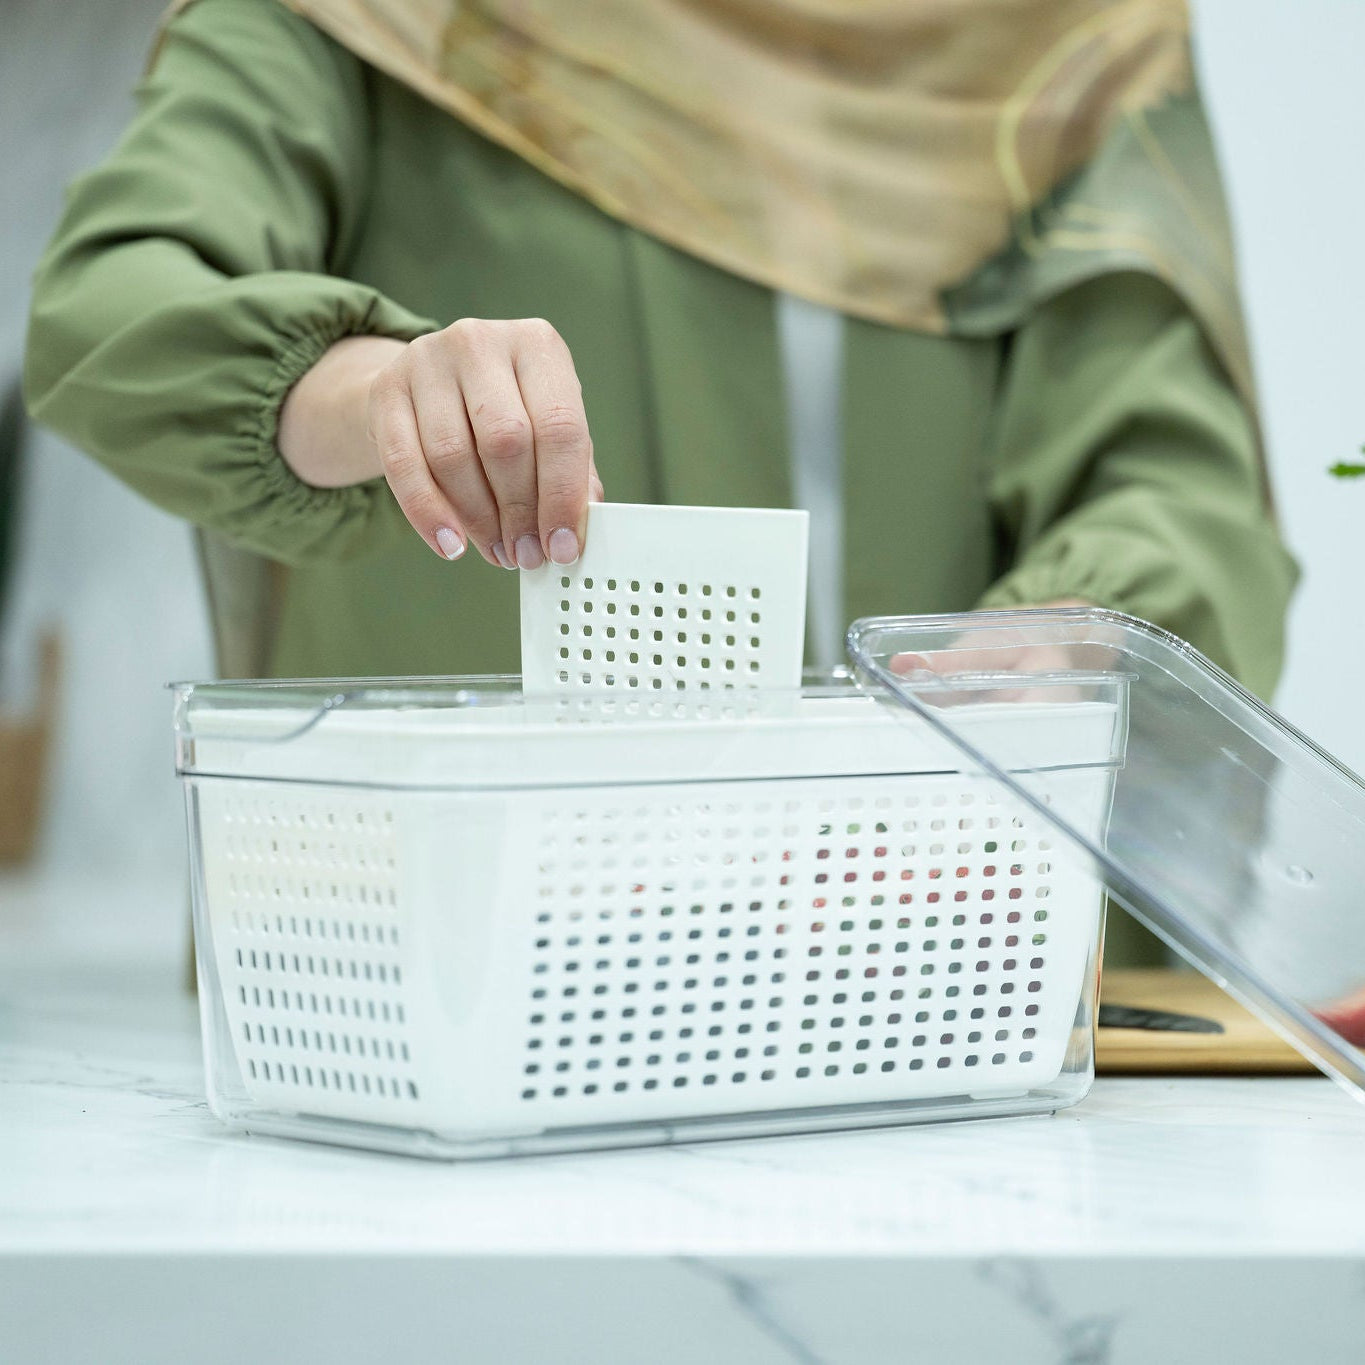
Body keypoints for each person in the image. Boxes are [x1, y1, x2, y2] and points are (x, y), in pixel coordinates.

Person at [24, 3, 1293, 697]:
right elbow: (111, 301)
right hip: (453, 972)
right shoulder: (373, 18)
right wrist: (374, 389)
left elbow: (1182, 491)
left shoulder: (1063, 45)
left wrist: (1056, 651)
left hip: (926, 975)